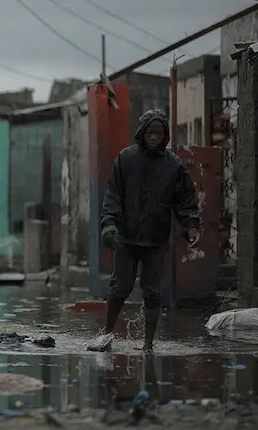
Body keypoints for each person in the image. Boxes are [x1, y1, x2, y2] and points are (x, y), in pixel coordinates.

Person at [88, 108, 200, 353]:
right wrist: (109, 224)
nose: (154, 136)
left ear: (165, 135)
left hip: (156, 239)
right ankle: (107, 335)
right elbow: (113, 196)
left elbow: (185, 201)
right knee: (120, 287)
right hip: (127, 238)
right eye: (150, 131)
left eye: (159, 132)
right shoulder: (126, 159)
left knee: (152, 290)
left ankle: (148, 344)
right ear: (142, 132)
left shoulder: (174, 166)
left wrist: (191, 226)